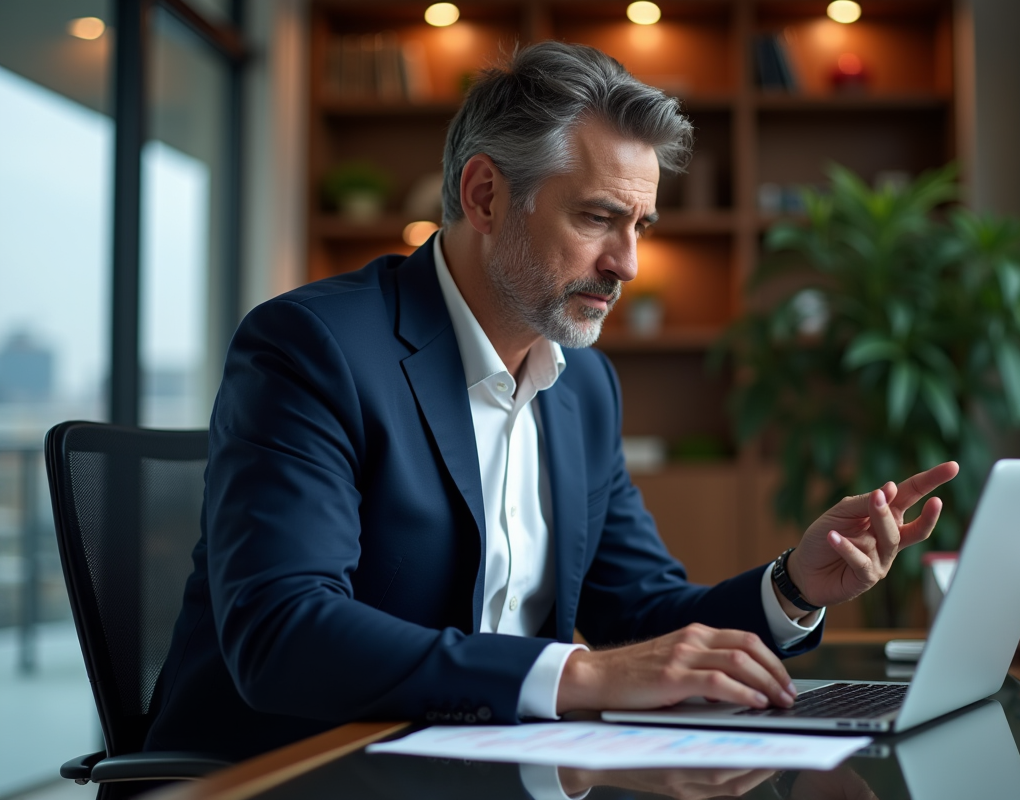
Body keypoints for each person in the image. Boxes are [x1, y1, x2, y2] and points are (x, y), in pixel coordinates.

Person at [145, 41, 957, 761]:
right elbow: (283, 634)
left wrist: (793, 587)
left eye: (642, 224)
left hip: (485, 771)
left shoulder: (584, 387)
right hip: (291, 776)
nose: (629, 263)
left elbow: (640, 612)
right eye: (599, 217)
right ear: (486, 195)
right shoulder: (312, 347)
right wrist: (583, 672)